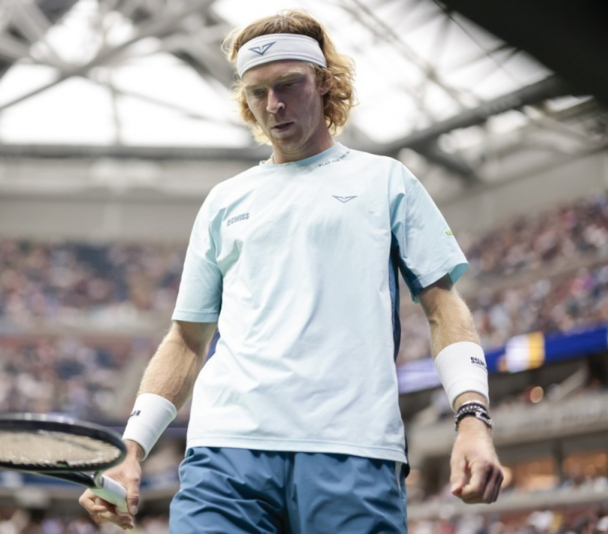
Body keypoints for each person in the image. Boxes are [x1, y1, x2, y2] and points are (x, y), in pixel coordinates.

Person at [79, 9, 503, 532]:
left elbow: (443, 309)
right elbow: (187, 340)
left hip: (353, 450)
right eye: (257, 92)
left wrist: (473, 419)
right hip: (225, 454)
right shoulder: (224, 201)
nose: (273, 105)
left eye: (288, 85)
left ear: (323, 82)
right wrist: (131, 448)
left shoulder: (386, 181)